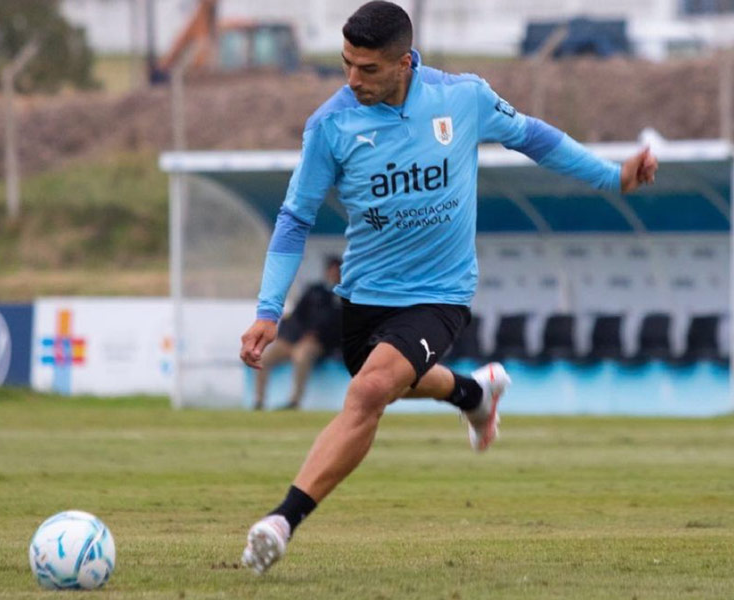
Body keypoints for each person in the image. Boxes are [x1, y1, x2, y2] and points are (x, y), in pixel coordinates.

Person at [238, 0, 658, 574]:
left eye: (368, 69)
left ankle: (281, 521)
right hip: (364, 296)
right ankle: (472, 394)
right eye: (346, 65)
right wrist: (268, 309)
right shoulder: (330, 126)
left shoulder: (461, 98)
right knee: (385, 378)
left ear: (405, 61)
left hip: (440, 292)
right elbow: (294, 219)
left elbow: (534, 138)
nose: (352, 80)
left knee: (367, 392)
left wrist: (612, 176)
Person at [253, 257, 343, 410]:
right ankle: (259, 401)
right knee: (264, 358)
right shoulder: (314, 291)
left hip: (315, 342)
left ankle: (294, 401)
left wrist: (316, 335)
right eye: (331, 270)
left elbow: (336, 325)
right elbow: (296, 314)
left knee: (301, 357)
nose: (334, 274)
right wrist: (287, 335)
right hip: (292, 339)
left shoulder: (343, 297)